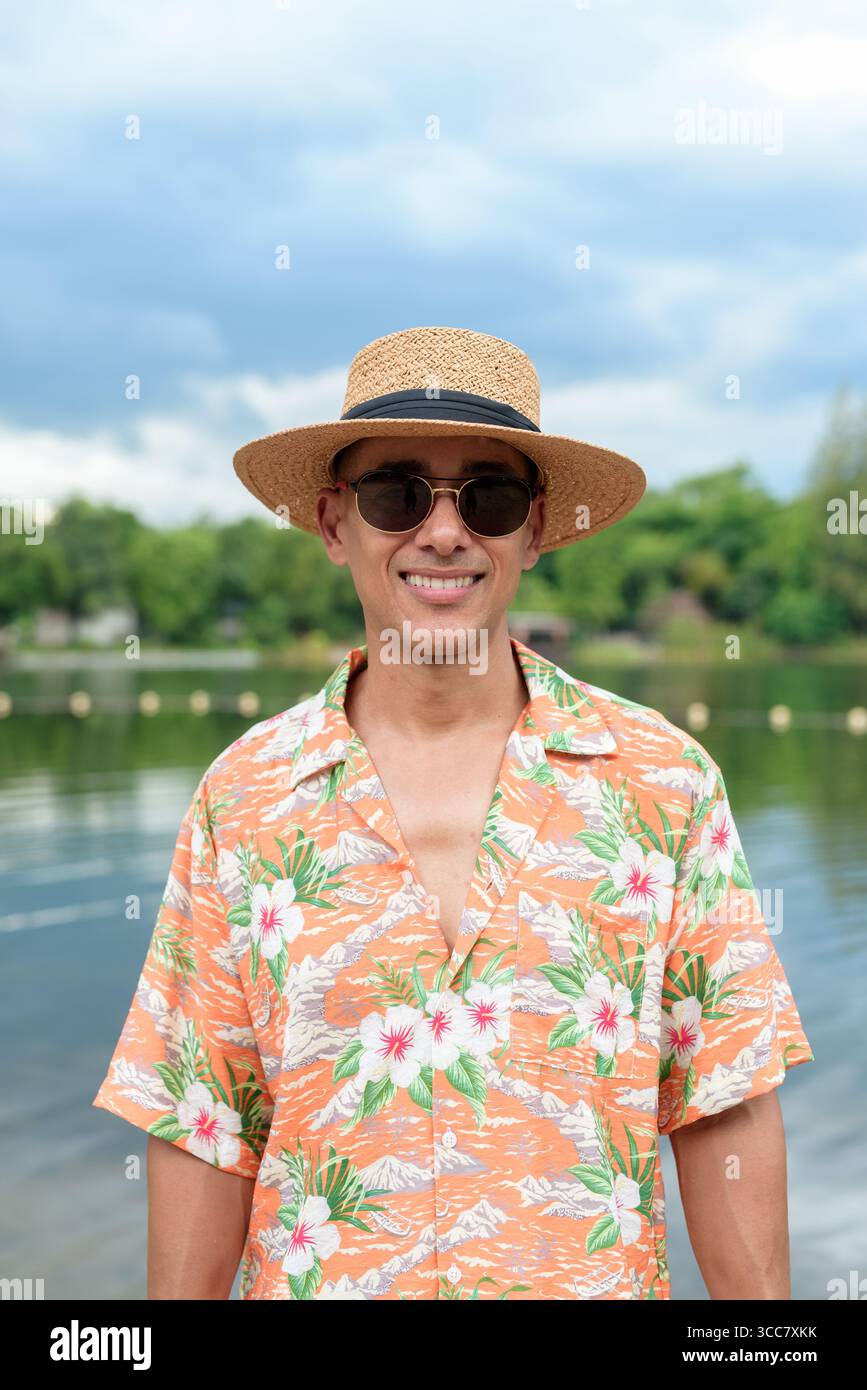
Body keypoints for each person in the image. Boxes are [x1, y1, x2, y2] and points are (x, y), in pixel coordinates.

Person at [92, 325, 814, 1300]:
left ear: (535, 530)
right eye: (396, 492)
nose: (443, 533)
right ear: (332, 522)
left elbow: (721, 1104)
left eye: (490, 496)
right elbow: (203, 1124)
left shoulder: (665, 784)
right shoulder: (244, 797)